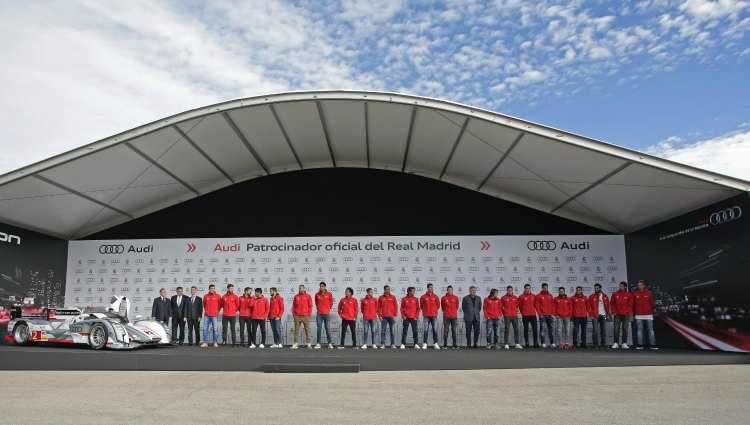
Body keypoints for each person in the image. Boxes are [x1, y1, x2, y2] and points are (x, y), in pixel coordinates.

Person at [633, 280, 658, 350]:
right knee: (639, 331)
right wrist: (633, 313)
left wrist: (654, 311)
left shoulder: (649, 293)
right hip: (638, 315)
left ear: (644, 286)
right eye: (638, 285)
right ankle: (640, 345)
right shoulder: (635, 294)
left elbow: (652, 303)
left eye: (641, 285)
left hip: (648, 314)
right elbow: (633, 304)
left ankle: (653, 345)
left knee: (651, 330)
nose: (639, 286)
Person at [610, 281, 634, 349]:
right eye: (620, 286)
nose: (620, 287)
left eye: (622, 286)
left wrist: (629, 313)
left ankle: (624, 343)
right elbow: (612, 303)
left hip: (626, 315)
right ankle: (615, 343)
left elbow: (630, 305)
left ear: (625, 287)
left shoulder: (629, 294)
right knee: (616, 329)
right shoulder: (615, 294)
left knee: (625, 329)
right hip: (617, 314)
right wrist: (613, 311)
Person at [587, 283, 610, 348]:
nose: (596, 289)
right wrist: (591, 314)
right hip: (595, 316)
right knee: (595, 330)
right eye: (595, 288)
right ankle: (595, 344)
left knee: (603, 330)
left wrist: (608, 314)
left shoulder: (605, 296)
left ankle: (603, 344)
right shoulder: (592, 296)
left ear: (600, 288)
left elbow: (607, 306)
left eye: (597, 288)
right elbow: (588, 306)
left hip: (603, 315)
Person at [419, 283, 441, 350]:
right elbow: (421, 306)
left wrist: (433, 311)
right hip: (426, 316)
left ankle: (435, 343)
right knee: (426, 330)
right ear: (427, 288)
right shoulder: (423, 297)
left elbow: (438, 305)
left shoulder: (435, 296)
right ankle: (425, 343)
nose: (431, 288)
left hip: (434, 316)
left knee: (435, 330)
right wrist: (426, 311)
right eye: (430, 287)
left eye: (432, 287)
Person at [292, 284, 313, 349]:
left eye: (301, 288)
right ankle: (295, 343)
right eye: (299, 288)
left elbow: (310, 306)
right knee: (296, 330)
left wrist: (308, 314)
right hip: (297, 316)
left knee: (307, 330)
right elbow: (293, 306)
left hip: (305, 316)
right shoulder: (296, 296)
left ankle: (308, 343)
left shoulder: (308, 296)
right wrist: (294, 315)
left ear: (304, 289)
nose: (300, 289)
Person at [315, 282, 334, 349]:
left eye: (322, 286)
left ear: (325, 287)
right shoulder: (317, 294)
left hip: (327, 314)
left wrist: (328, 309)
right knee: (319, 329)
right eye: (320, 286)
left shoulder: (329, 294)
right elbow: (316, 303)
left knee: (328, 329)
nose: (321, 287)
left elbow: (331, 302)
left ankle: (330, 343)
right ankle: (318, 343)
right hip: (319, 314)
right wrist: (319, 309)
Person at [535, 283, 556, 348]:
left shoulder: (550, 295)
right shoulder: (538, 296)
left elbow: (553, 305)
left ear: (547, 288)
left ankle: (552, 342)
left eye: (546, 287)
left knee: (551, 329)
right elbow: (537, 305)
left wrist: (552, 314)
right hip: (542, 315)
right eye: (544, 287)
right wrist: (540, 314)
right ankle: (543, 343)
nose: (545, 288)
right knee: (542, 330)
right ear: (542, 288)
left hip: (550, 315)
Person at [519, 284, 539, 348]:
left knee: (535, 329)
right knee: (526, 329)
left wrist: (536, 312)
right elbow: (520, 306)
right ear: (524, 289)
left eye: (529, 288)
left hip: (533, 315)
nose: (528, 289)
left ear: (530, 289)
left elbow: (536, 305)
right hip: (525, 315)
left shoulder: (534, 296)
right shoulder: (521, 296)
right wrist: (523, 312)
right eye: (526, 288)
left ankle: (535, 343)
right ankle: (527, 343)